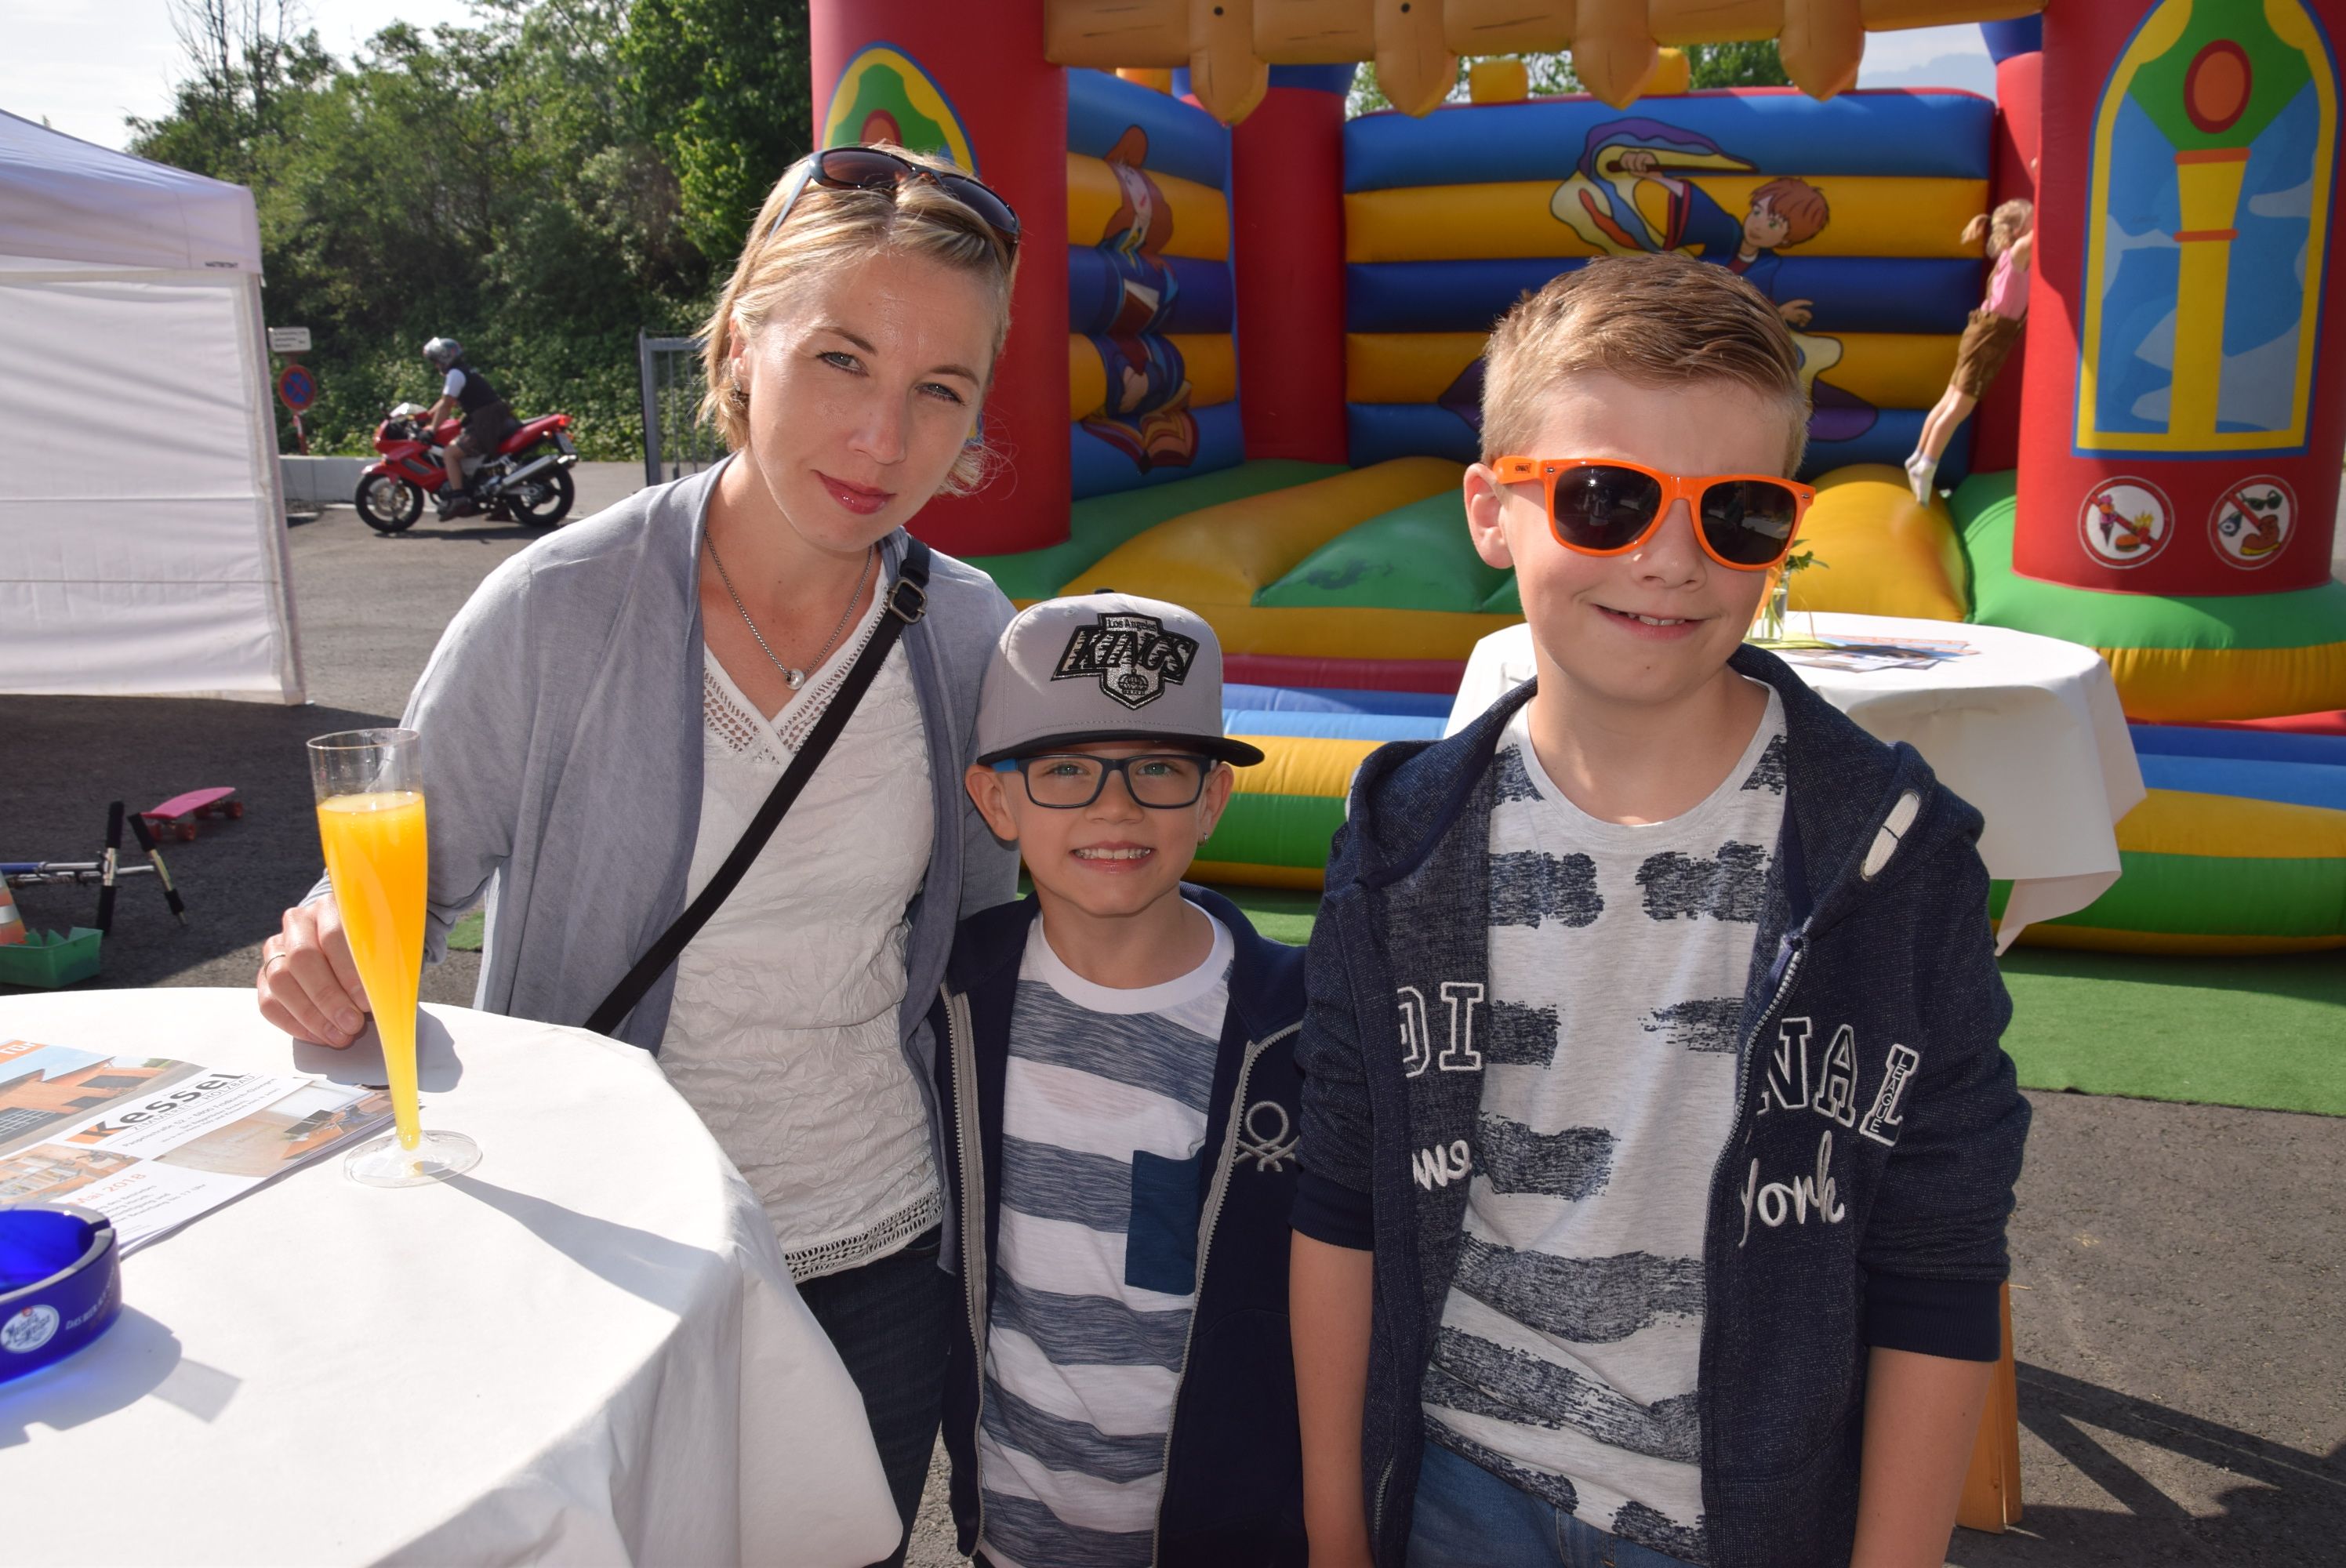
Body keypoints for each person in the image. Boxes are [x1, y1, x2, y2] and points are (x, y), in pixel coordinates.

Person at [255, 143, 1030, 1564]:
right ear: (739, 346)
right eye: (842, 360)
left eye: (941, 389)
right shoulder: (556, 608)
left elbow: (985, 949)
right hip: (600, 1248)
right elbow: (395, 890)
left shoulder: (971, 633)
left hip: (875, 1254)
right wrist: (326, 952)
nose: (883, 438)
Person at [1288, 253, 2030, 1568]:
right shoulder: (1402, 843)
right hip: (1454, 1492)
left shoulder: (1895, 863)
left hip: (1755, 1518)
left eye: (1735, 513)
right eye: (1605, 499)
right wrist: (1338, 1531)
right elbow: (1345, 1196)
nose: (1670, 560)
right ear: (1491, 511)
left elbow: (1940, 1253)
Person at [928, 593, 1309, 1567]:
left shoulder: (1298, 1028)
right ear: (995, 799)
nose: (1115, 806)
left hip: (1229, 1539)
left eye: (1158, 768)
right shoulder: (952, 1001)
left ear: (1213, 797)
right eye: (1065, 768)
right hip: (1011, 1533)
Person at [1906, 198, 2034, 504]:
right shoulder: (2018, 251)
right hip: (1990, 336)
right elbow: (2039, 233)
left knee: (1949, 399)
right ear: (2018, 230)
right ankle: (1926, 465)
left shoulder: (2009, 255)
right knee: (1960, 406)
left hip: (1982, 330)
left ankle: (1919, 456)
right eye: (2030, 219)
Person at [418, 337, 521, 518]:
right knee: (480, 459)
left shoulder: (455, 374)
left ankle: (459, 498)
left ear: (444, 358)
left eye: (436, 361)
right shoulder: (463, 371)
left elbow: (447, 404)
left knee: (450, 453)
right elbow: (445, 401)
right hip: (493, 418)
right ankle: (499, 506)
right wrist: (426, 417)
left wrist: (432, 430)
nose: (436, 365)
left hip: (486, 421)